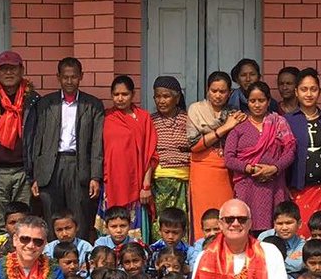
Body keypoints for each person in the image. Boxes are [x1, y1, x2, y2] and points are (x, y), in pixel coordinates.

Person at [26, 57, 104, 235]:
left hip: (79, 166)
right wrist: (35, 175)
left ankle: (79, 258)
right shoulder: (45, 104)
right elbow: (37, 141)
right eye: (65, 77)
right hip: (50, 167)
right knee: (52, 217)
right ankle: (53, 260)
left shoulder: (92, 105)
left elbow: (97, 144)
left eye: (74, 77)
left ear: (81, 76)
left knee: (80, 218)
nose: (70, 81)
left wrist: (95, 177)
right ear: (58, 77)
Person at [0, 51, 39, 231]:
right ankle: (2, 258)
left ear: (22, 70)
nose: (8, 73)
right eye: (4, 69)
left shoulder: (33, 99)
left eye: (13, 68)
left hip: (23, 172)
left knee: (24, 224)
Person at [223, 82, 295, 234]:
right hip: (247, 187)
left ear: (268, 101)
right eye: (252, 101)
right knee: (245, 229)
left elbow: (290, 151)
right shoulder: (238, 126)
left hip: (274, 186)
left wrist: (274, 168)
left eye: (261, 101)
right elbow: (229, 158)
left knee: (275, 231)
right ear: (247, 102)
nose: (256, 105)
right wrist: (250, 168)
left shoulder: (279, 123)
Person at [186, 71, 244, 241]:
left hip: (226, 170)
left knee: (224, 214)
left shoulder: (235, 113)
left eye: (222, 91)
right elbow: (193, 145)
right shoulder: (196, 109)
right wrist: (225, 128)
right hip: (202, 168)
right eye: (214, 91)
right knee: (202, 216)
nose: (218, 95)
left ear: (230, 93)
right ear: (207, 90)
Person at [101, 74, 157, 237]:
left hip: (135, 184)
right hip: (110, 183)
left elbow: (150, 154)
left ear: (133, 95)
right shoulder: (105, 117)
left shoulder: (143, 118)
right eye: (116, 94)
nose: (120, 98)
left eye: (124, 94)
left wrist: (146, 185)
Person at [283, 68, 321, 234]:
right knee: (301, 234)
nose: (309, 94)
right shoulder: (287, 121)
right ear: (296, 92)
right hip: (298, 190)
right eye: (304, 89)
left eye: (313, 89)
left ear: (319, 92)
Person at [149, 76, 191, 238]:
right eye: (157, 96)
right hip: (159, 182)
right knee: (162, 223)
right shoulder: (150, 120)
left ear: (177, 97)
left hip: (184, 182)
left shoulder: (187, 119)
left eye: (166, 96)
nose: (161, 101)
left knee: (181, 223)